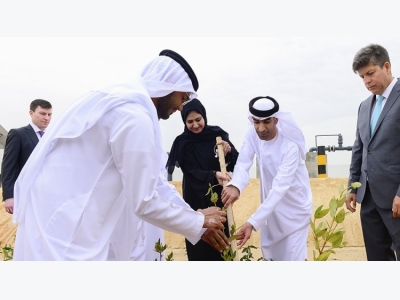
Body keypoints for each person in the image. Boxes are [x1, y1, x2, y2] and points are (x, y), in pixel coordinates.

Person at [12, 49, 228, 261]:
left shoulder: (128, 108)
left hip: (66, 217)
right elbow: (144, 201)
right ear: (166, 88)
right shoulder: (134, 117)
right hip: (66, 227)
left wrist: (197, 224)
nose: (181, 107)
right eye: (182, 97)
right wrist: (198, 220)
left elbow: (157, 183)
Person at [221, 96, 312, 261]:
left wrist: (253, 222)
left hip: (295, 213)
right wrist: (236, 185)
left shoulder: (289, 146)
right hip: (271, 214)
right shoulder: (252, 134)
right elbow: (243, 163)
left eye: (266, 122)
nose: (261, 128)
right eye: (256, 122)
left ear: (276, 119)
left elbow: (279, 188)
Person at [346, 44, 400, 261]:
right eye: (362, 77)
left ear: (386, 67)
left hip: (396, 198)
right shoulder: (364, 106)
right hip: (368, 198)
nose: (366, 81)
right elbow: (359, 148)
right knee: (377, 258)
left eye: (370, 73)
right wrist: (352, 186)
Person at [166, 98, 239, 260]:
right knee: (200, 246)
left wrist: (228, 150)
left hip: (218, 198)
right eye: (189, 121)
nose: (195, 125)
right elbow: (191, 171)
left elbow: (235, 162)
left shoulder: (217, 136)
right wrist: (213, 175)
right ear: (184, 122)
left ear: (204, 117)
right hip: (195, 198)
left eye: (198, 120)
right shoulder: (182, 142)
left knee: (223, 243)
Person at [1, 99, 52, 214]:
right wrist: (9, 196)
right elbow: (8, 167)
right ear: (31, 113)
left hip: (48, 194)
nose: (47, 118)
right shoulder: (18, 134)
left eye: (49, 114)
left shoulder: (51, 137)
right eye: (42, 113)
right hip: (27, 193)